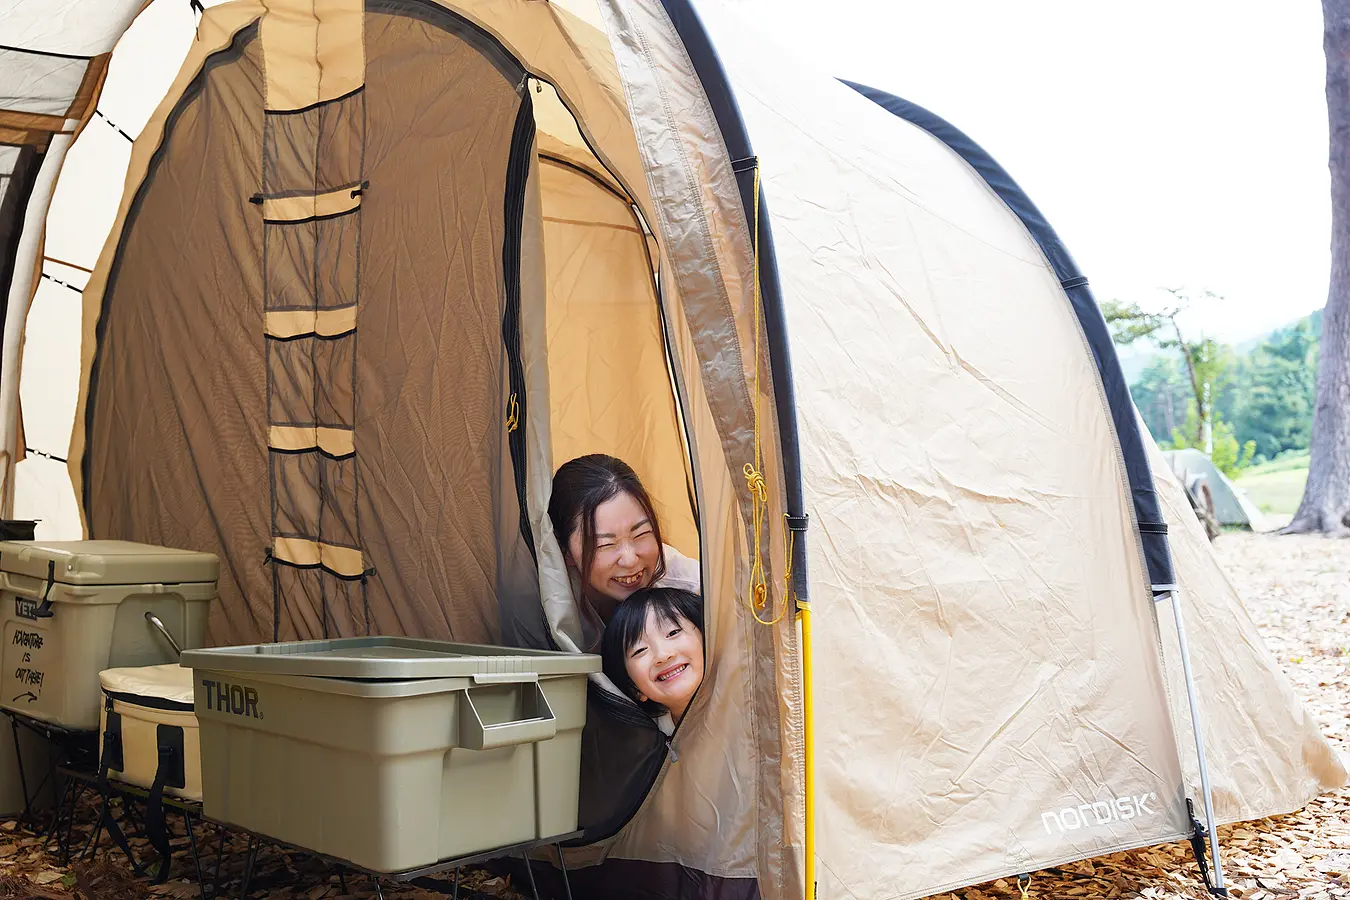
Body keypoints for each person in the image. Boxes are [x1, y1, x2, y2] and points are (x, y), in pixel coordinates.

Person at [548, 454, 699, 649]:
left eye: (641, 533)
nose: (630, 560)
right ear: (565, 550)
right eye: (605, 545)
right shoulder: (550, 601)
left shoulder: (692, 588)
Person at [601, 587, 704, 726]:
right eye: (640, 650)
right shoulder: (649, 742)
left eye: (673, 632)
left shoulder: (742, 705)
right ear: (634, 688)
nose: (662, 655)